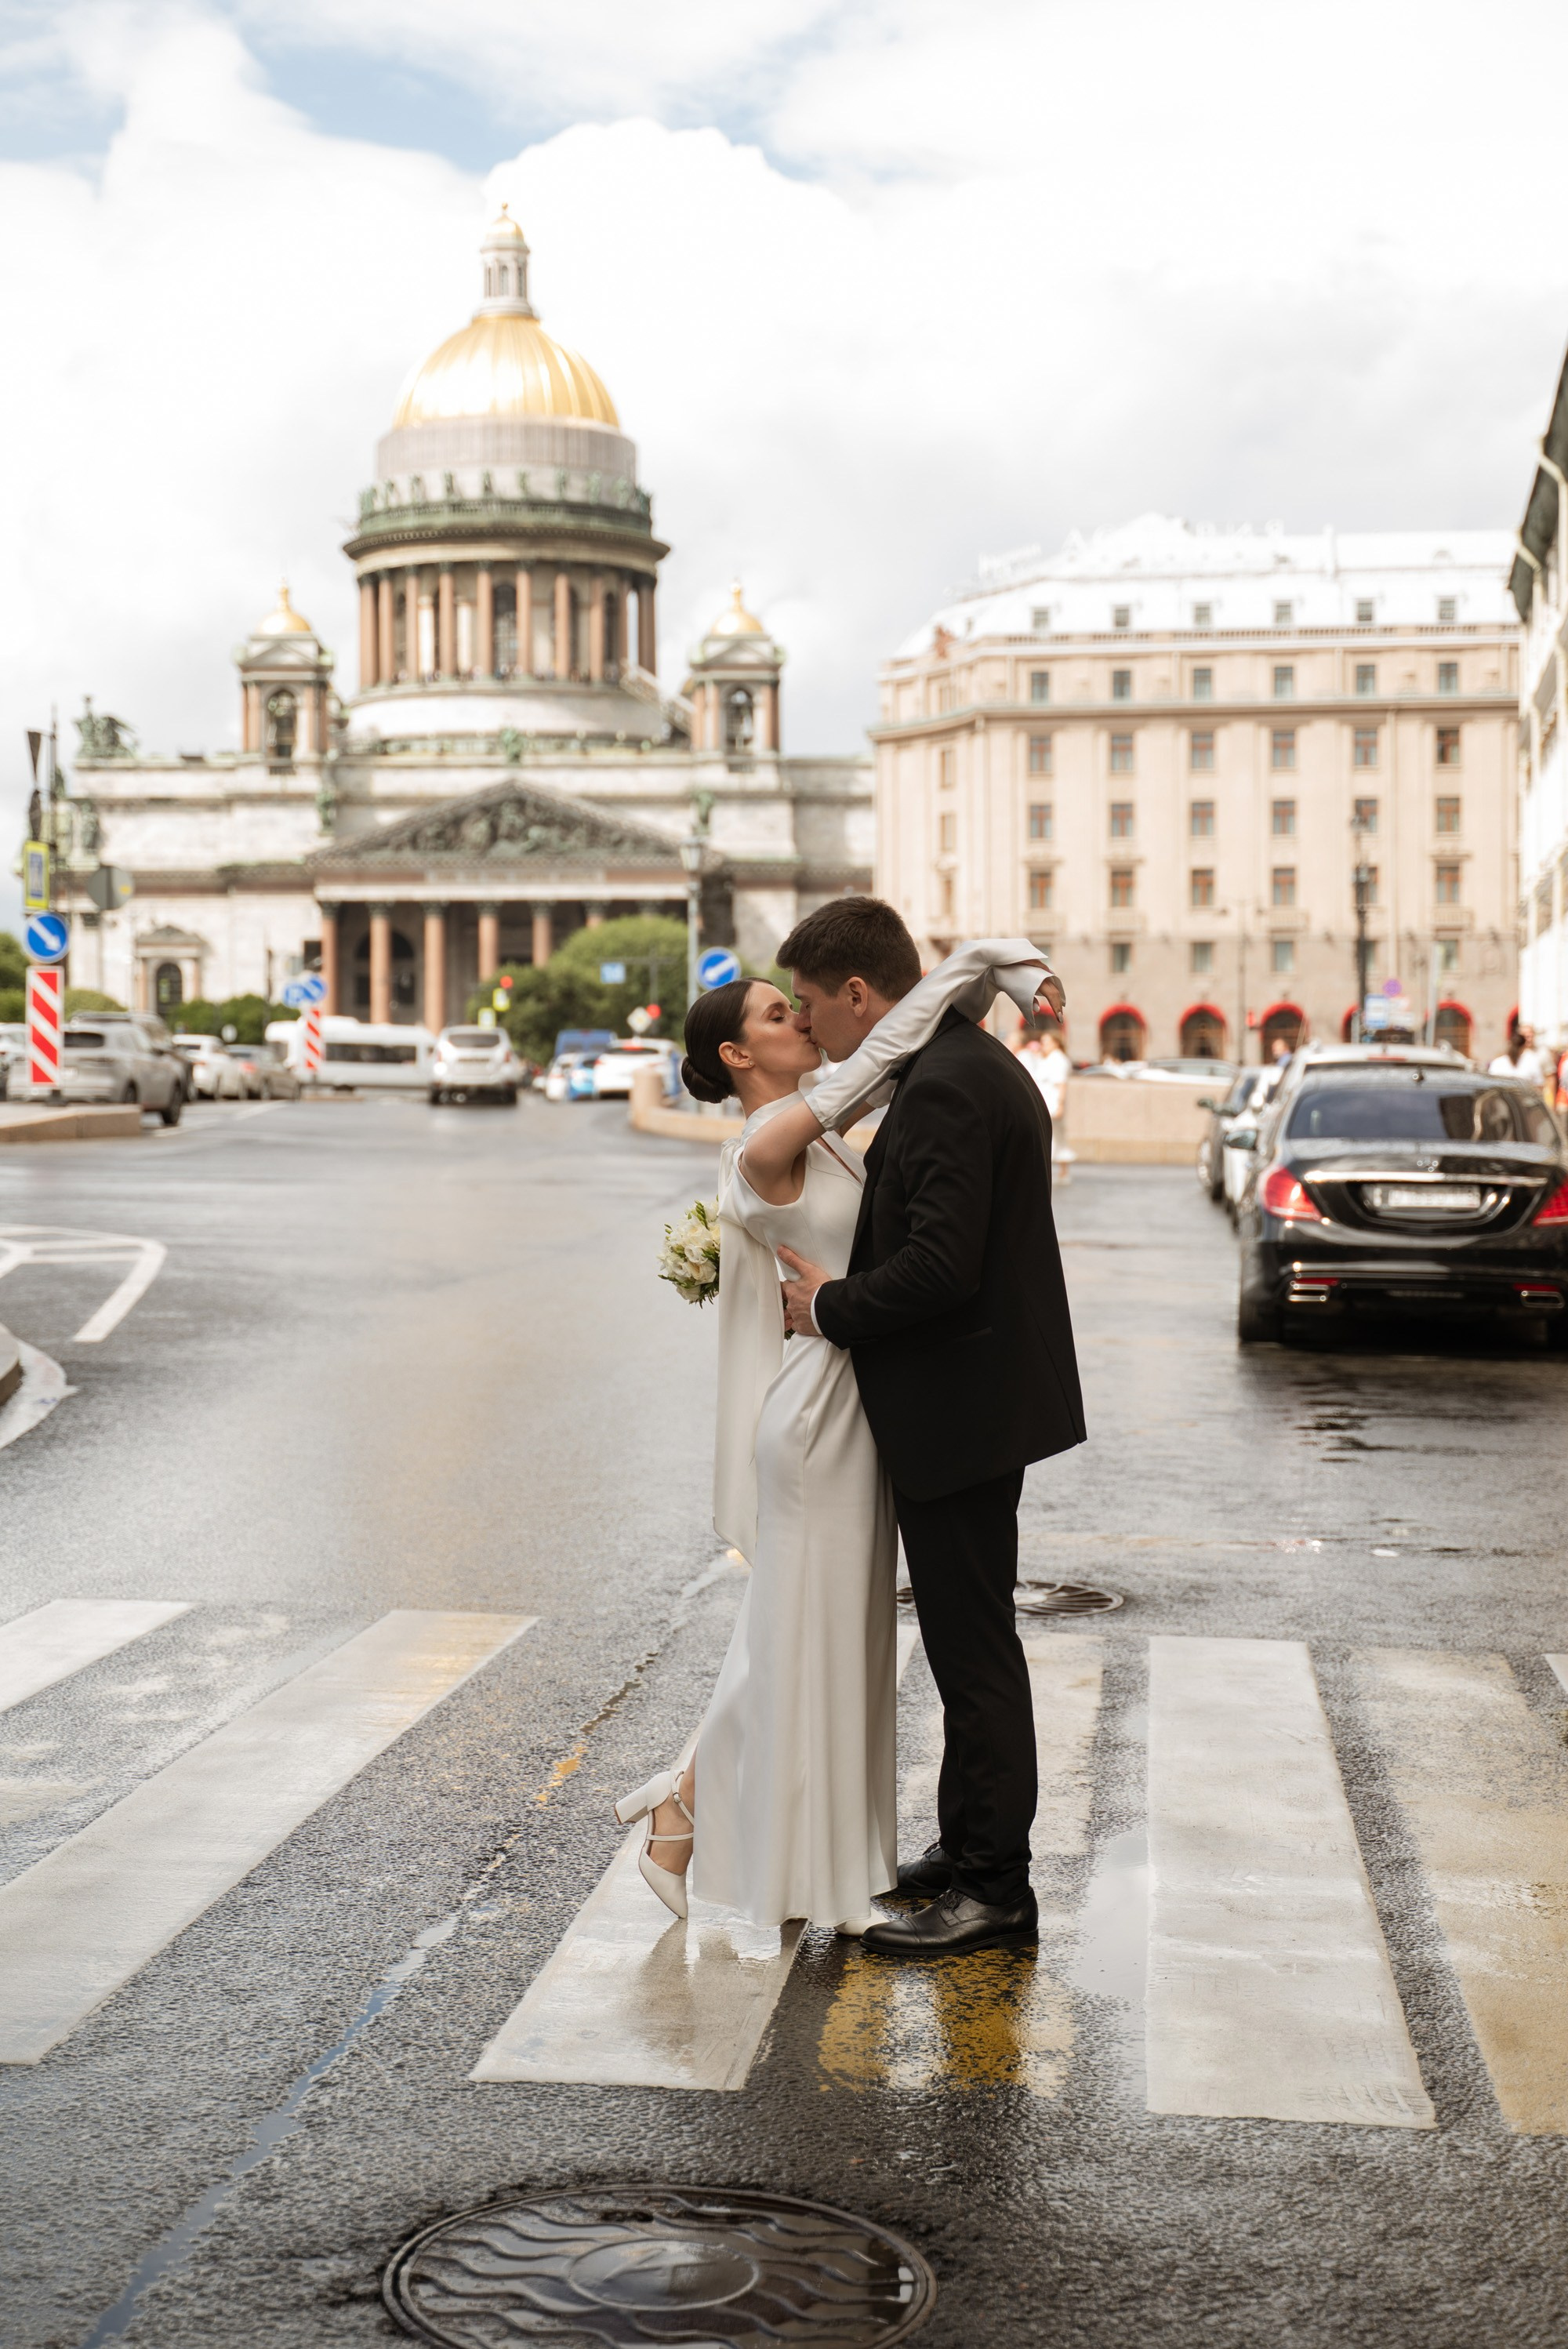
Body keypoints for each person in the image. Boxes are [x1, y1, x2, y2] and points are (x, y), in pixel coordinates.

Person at [614, 917, 1072, 1949]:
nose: (805, 1021)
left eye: (804, 1002)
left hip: (895, 1401)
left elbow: (924, 1231)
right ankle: (698, 1811)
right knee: (812, 1637)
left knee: (856, 1642)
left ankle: (949, 1863)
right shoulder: (782, 1134)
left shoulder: (868, 1109)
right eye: (781, 1014)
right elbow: (875, 1055)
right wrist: (994, 968)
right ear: (735, 1056)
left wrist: (1006, 968)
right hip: (828, 1416)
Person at [775, 899, 1083, 1959]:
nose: (811, 1028)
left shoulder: (948, 1084)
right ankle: (966, 1852)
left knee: (974, 1649)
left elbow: (941, 1267)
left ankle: (996, 1890)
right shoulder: (956, 1065)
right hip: (974, 1396)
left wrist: (829, 1307)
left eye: (813, 1007)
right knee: (966, 1641)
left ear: (860, 992)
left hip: (963, 1402)